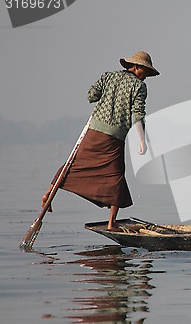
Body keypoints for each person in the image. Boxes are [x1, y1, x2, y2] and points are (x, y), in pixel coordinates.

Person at [41, 51, 160, 229]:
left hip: (94, 131)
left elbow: (91, 96)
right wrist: (143, 142)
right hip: (114, 137)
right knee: (116, 177)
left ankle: (49, 193)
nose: (146, 77)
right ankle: (112, 223)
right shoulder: (139, 87)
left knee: (73, 164)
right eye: (145, 72)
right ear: (135, 67)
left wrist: (106, 95)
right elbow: (138, 115)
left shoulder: (108, 77)